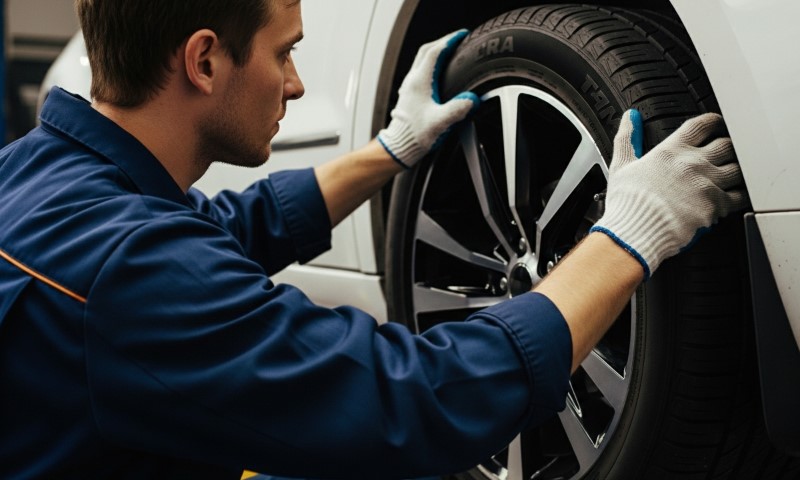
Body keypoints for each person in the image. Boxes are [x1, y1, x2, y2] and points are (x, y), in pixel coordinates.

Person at [0, 0, 746, 479]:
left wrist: (390, 152)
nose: (295, 84)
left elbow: (218, 234)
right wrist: (625, 238)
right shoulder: (131, 276)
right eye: (284, 52)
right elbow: (416, 398)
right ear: (202, 60)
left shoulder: (33, 172)